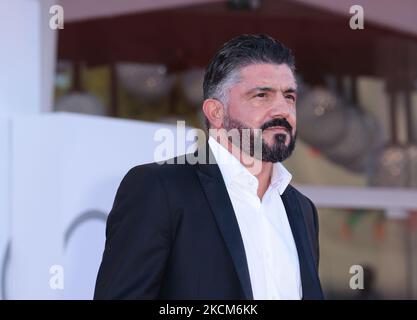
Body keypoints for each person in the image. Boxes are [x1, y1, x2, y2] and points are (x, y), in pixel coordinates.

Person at [94, 34, 324, 300]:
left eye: (289, 96)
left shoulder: (302, 210)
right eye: (262, 95)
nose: (282, 109)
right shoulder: (158, 189)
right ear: (216, 112)